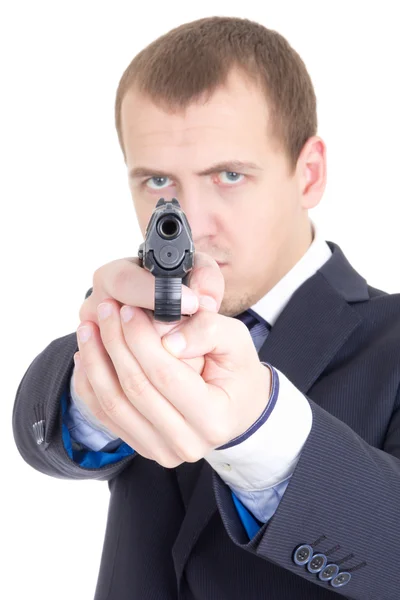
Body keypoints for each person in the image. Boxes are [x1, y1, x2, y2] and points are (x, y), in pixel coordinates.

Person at [11, 15, 400, 600]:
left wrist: (259, 431)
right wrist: (93, 391)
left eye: (229, 174)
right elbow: (39, 430)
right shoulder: (138, 319)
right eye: (158, 180)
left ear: (309, 174)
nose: (191, 224)